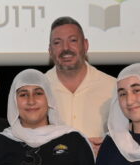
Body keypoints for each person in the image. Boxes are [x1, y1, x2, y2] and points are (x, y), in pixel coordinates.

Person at [44, 17, 116, 153]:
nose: (65, 48)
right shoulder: (39, 89)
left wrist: (109, 146)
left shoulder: (113, 86)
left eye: (73, 40)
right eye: (57, 42)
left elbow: (125, 134)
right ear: (50, 50)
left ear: (86, 45)